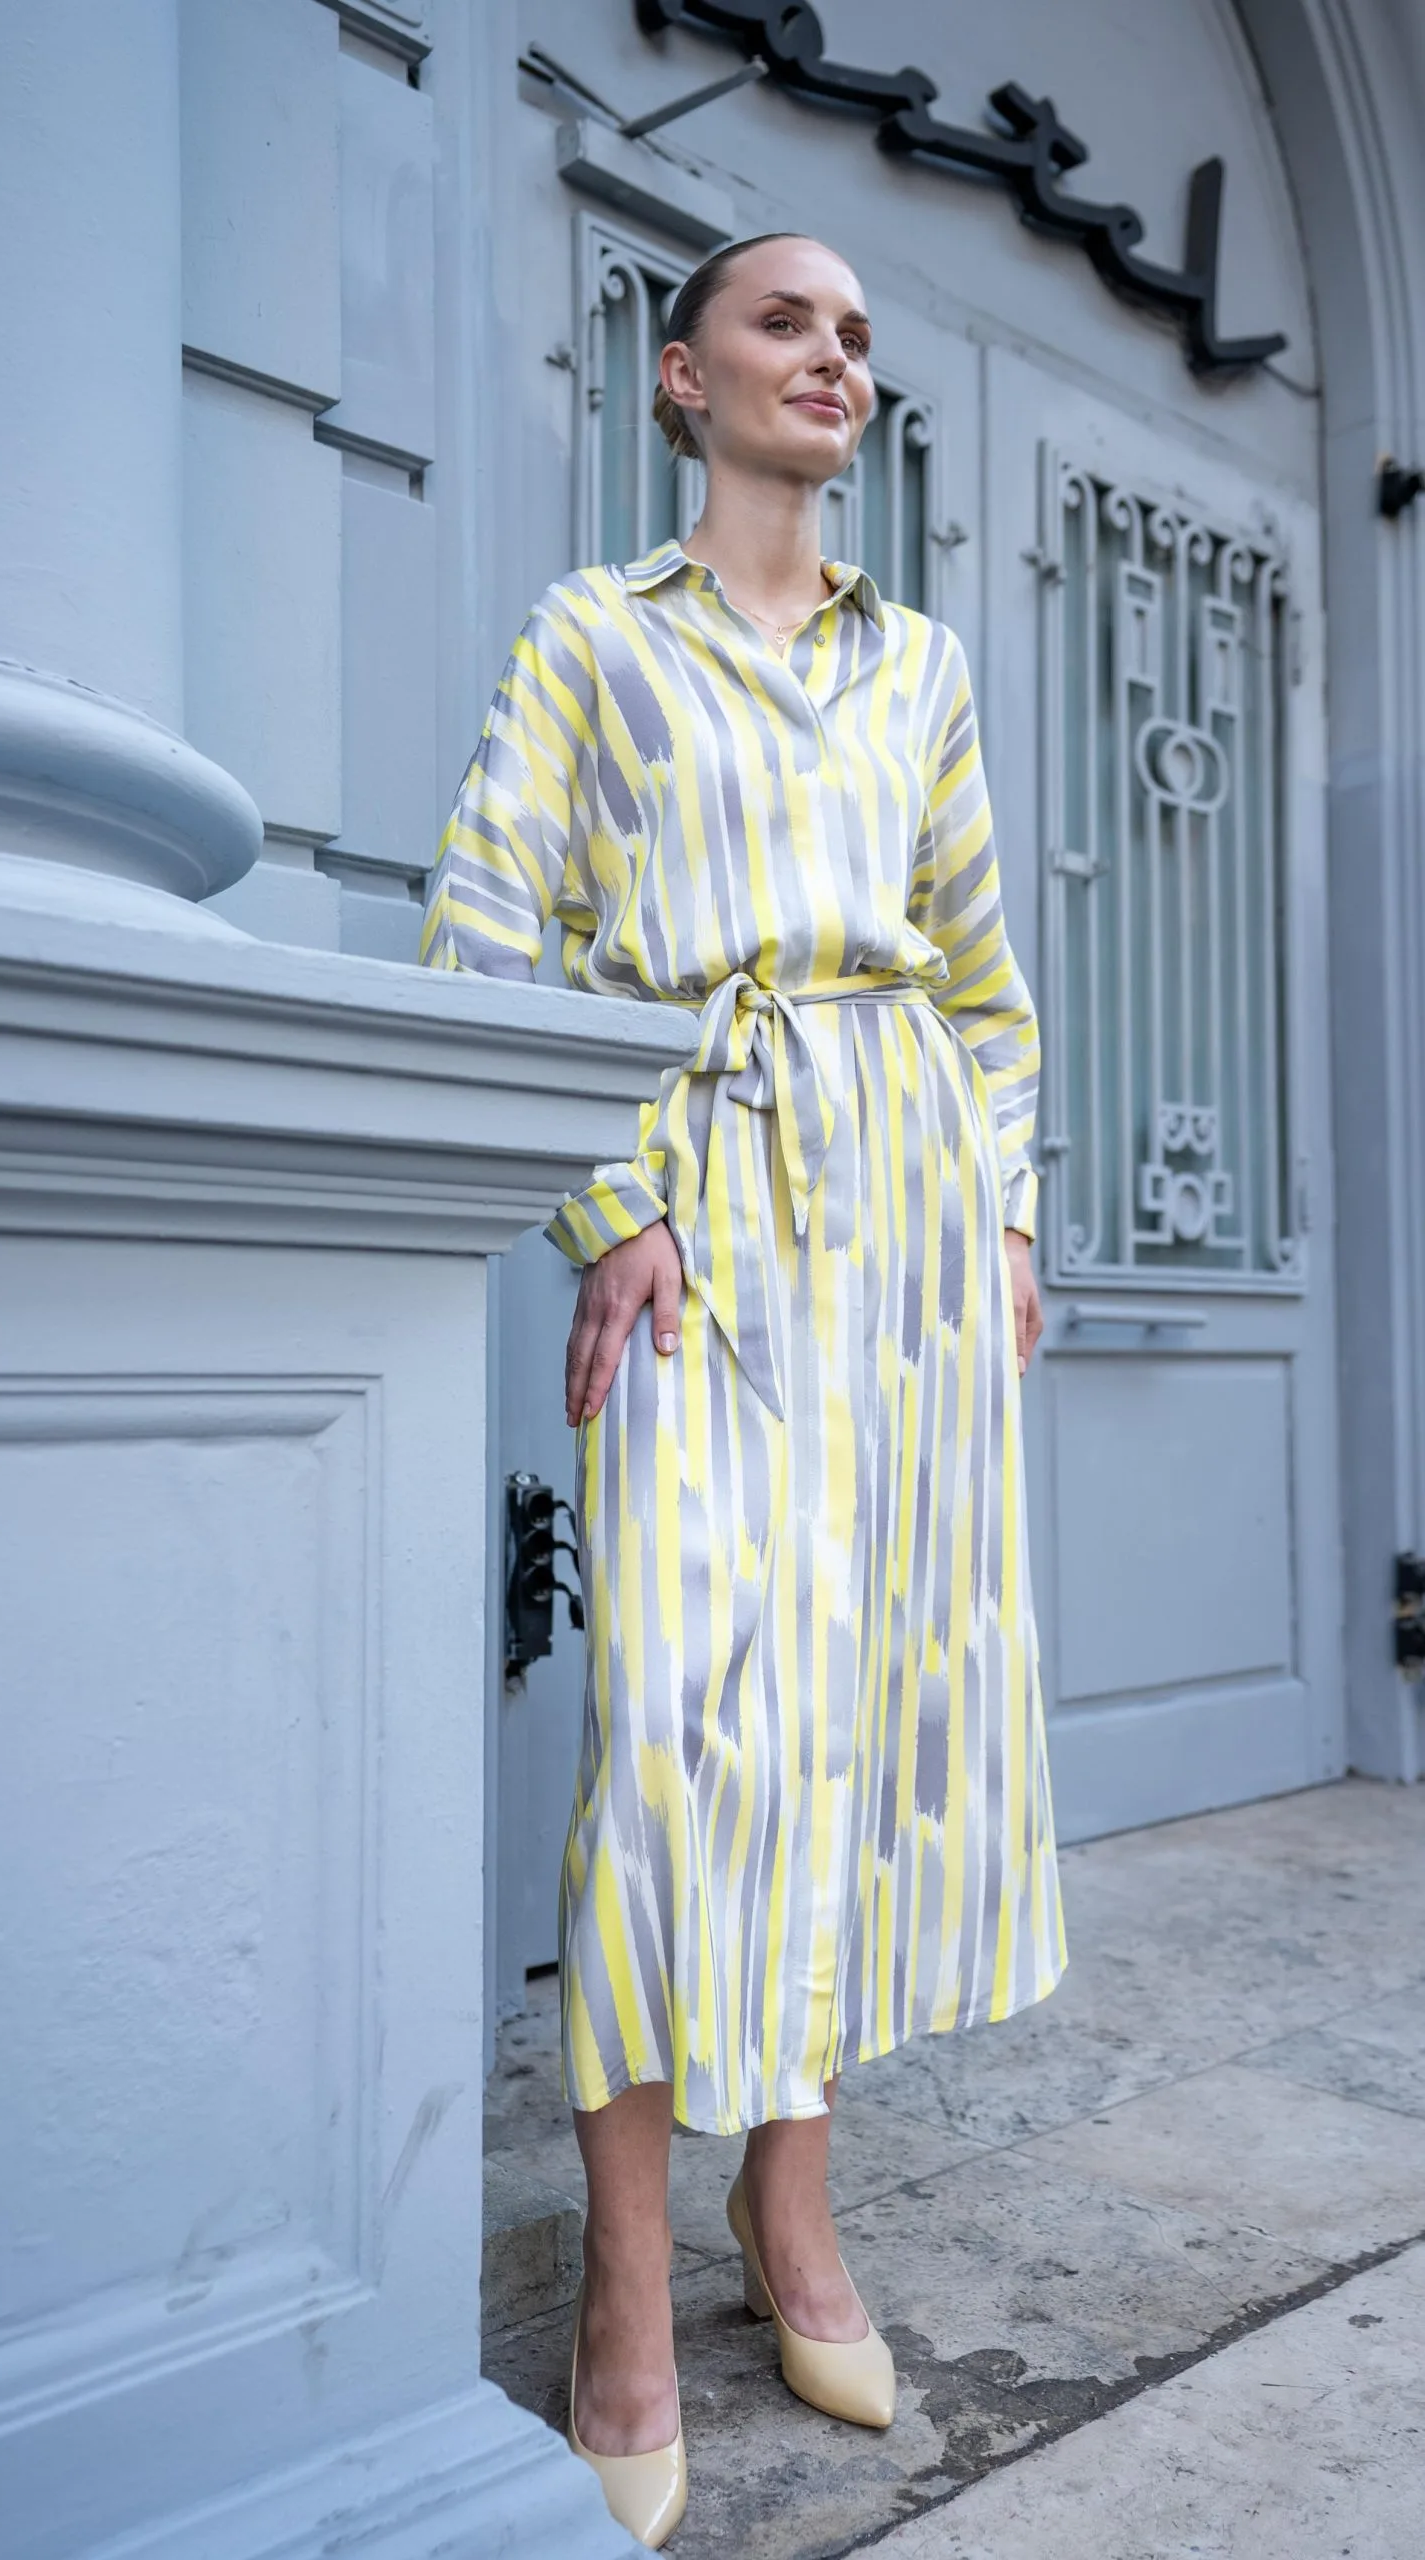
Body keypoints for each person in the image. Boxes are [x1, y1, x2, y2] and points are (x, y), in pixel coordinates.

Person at [421, 231, 1067, 2549]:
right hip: (701, 1214)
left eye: (859, 336)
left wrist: (1003, 1211)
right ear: (680, 378)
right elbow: (479, 935)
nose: (834, 358)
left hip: (908, 1227)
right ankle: (620, 2261)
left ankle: (787, 2203)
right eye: (786, 322)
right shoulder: (593, 639)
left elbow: (980, 984)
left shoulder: (922, 665)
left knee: (861, 1716)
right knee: (674, 1734)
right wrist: (613, 1204)